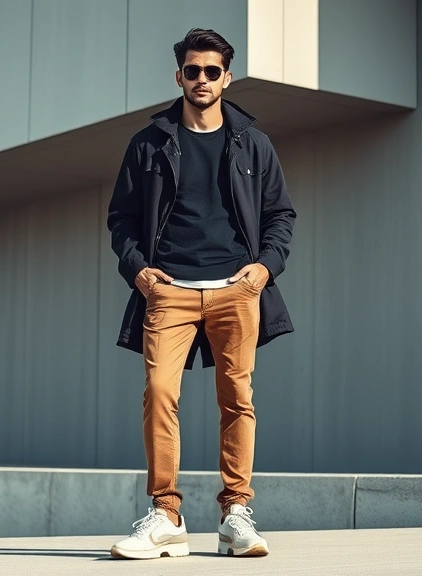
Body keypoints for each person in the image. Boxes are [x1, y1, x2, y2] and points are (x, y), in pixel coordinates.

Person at [106, 28, 296, 559]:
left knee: (237, 399)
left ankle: (236, 514)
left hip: (238, 289)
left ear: (227, 78)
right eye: (194, 70)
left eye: (213, 71)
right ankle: (166, 516)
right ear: (180, 77)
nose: (203, 79)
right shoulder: (149, 142)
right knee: (160, 394)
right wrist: (140, 272)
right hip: (168, 291)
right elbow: (120, 219)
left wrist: (264, 270)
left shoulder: (252, 143)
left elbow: (281, 214)